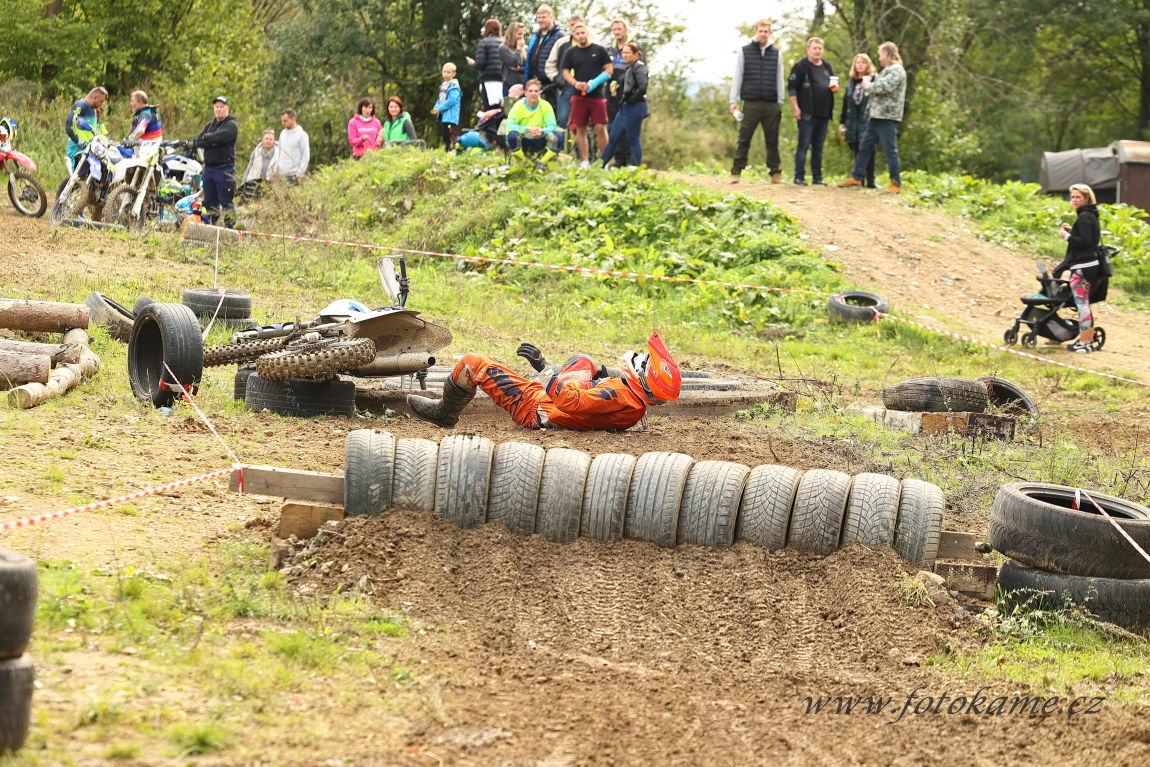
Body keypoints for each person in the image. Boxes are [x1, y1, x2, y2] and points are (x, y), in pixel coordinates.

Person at [407, 332, 682, 430]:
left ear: (647, 379)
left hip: (533, 407)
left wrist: (542, 367)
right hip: (553, 401)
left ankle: (445, 414)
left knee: (471, 362)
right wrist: (598, 372)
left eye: (645, 363)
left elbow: (572, 402)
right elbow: (598, 394)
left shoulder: (617, 396)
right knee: (584, 361)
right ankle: (553, 376)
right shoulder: (633, 402)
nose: (641, 359)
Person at [838, 41, 906, 194]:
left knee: (890, 150)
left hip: (887, 117)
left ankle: (896, 183)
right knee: (864, 146)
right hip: (875, 116)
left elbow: (885, 87)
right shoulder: (887, 70)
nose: (879, 58)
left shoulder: (897, 70)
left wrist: (867, 87)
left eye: (880, 55)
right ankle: (856, 177)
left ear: (887, 54)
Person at [1053, 184, 1107, 353]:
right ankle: (1088, 340)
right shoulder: (1090, 215)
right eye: (1072, 197)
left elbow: (1084, 242)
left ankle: (1084, 342)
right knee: (1084, 305)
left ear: (1087, 198)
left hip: (1083, 267)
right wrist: (1073, 230)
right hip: (1090, 266)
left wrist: (1066, 236)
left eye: (1078, 197)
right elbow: (1088, 238)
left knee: (1082, 305)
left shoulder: (1084, 217)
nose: (1074, 200)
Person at [729, 20, 785, 184]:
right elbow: (737, 76)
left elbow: (779, 78)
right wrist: (733, 100)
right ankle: (736, 172)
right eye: (760, 31)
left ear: (770, 33)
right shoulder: (744, 51)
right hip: (751, 103)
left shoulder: (777, 53)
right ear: (755, 32)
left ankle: (775, 173)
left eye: (766, 31)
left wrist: (780, 101)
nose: (763, 34)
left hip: (771, 104)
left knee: (772, 140)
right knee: (744, 138)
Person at [563, 22, 613, 169]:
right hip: (579, 96)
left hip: (597, 96)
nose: (581, 36)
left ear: (587, 33)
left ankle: (605, 161)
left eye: (583, 33)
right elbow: (565, 72)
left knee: (600, 127)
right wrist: (575, 83)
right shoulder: (570, 52)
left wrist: (594, 83)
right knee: (580, 128)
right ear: (574, 36)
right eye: (577, 34)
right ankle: (584, 161)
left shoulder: (599, 50)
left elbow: (609, 69)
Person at [787, 37, 834, 186]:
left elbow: (833, 82)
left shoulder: (826, 66)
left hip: (824, 113)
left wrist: (835, 87)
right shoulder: (800, 66)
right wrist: (796, 107)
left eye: (820, 48)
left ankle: (817, 177)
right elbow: (792, 87)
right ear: (808, 50)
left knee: (818, 146)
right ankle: (799, 177)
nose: (817, 51)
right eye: (814, 48)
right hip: (806, 113)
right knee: (803, 145)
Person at [600, 42, 648, 168]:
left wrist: (630, 99)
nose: (624, 55)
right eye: (623, 52)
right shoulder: (629, 68)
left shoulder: (640, 67)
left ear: (636, 54)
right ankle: (599, 166)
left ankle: (634, 166)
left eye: (627, 53)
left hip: (635, 106)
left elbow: (642, 87)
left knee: (633, 139)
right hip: (624, 107)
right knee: (614, 138)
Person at [192, 95, 238, 226]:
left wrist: (210, 139)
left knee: (226, 202)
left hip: (224, 169)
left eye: (221, 107)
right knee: (210, 203)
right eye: (216, 107)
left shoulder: (231, 125)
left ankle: (231, 229)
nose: (218, 109)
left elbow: (222, 136)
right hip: (209, 169)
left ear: (227, 108)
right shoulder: (210, 125)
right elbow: (199, 141)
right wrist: (213, 141)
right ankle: (211, 226)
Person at [544, 14, 588, 140]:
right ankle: (556, 151)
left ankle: (583, 155)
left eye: (577, 24)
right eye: (572, 25)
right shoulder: (562, 42)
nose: (574, 27)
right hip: (566, 86)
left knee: (582, 121)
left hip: (585, 86)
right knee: (561, 119)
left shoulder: (592, 43)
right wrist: (557, 78)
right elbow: (550, 63)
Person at [505, 79, 563, 169]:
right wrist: (527, 129)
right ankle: (523, 162)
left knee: (559, 136)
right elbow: (510, 126)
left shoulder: (546, 105)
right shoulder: (518, 106)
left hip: (540, 138)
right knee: (512, 136)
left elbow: (552, 126)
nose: (533, 93)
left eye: (536, 91)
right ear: (525, 93)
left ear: (539, 93)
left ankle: (542, 162)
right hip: (524, 139)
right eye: (530, 91)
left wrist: (542, 131)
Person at [838, 54, 876, 188]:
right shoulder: (851, 81)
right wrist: (842, 122)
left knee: (868, 150)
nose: (860, 65)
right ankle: (859, 180)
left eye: (863, 63)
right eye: (858, 63)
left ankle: (871, 181)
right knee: (856, 148)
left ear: (868, 65)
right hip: (852, 121)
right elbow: (845, 103)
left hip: (867, 120)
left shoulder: (873, 80)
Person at [606, 19, 637, 166]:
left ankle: (629, 160)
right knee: (614, 126)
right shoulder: (610, 49)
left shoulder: (635, 46)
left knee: (628, 126)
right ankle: (618, 159)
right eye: (614, 29)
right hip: (612, 92)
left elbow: (640, 69)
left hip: (628, 92)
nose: (617, 32)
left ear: (625, 30)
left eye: (619, 29)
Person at [524, 6, 565, 106]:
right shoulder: (535, 37)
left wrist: (557, 80)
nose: (540, 20)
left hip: (551, 84)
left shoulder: (560, 36)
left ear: (551, 17)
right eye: (539, 17)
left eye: (543, 17)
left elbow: (564, 60)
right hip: (535, 83)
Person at [65, 86, 108, 171]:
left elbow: (94, 131)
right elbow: (69, 125)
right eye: (101, 101)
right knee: (77, 176)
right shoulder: (81, 105)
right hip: (77, 147)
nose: (101, 104)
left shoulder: (93, 110)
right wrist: (78, 141)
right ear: (95, 97)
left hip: (90, 147)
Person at [468, 19, 505, 110]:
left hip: (488, 79)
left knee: (489, 110)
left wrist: (472, 63)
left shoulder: (484, 42)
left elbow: (480, 63)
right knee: (500, 109)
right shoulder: (504, 42)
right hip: (503, 79)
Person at [431, 62, 462, 152]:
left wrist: (440, 108)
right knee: (445, 134)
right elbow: (440, 100)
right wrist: (436, 107)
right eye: (444, 72)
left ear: (453, 74)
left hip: (451, 116)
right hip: (444, 115)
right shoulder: (442, 86)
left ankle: (453, 150)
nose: (446, 74)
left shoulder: (454, 86)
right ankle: (447, 149)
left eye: (448, 72)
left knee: (451, 133)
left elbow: (451, 101)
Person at [276, 108, 310, 184]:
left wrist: (299, 174)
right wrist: (277, 168)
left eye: (285, 121)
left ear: (293, 119)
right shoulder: (282, 133)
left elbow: (306, 156)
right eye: (282, 121)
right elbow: (279, 152)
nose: (282, 123)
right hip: (281, 175)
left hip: (294, 176)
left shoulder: (302, 135)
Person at [500, 22, 527, 97]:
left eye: (522, 34)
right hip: (509, 86)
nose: (521, 36)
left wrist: (519, 69)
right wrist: (518, 49)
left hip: (523, 86)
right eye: (519, 34)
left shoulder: (526, 48)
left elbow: (530, 68)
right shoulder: (503, 48)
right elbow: (514, 63)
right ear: (512, 34)